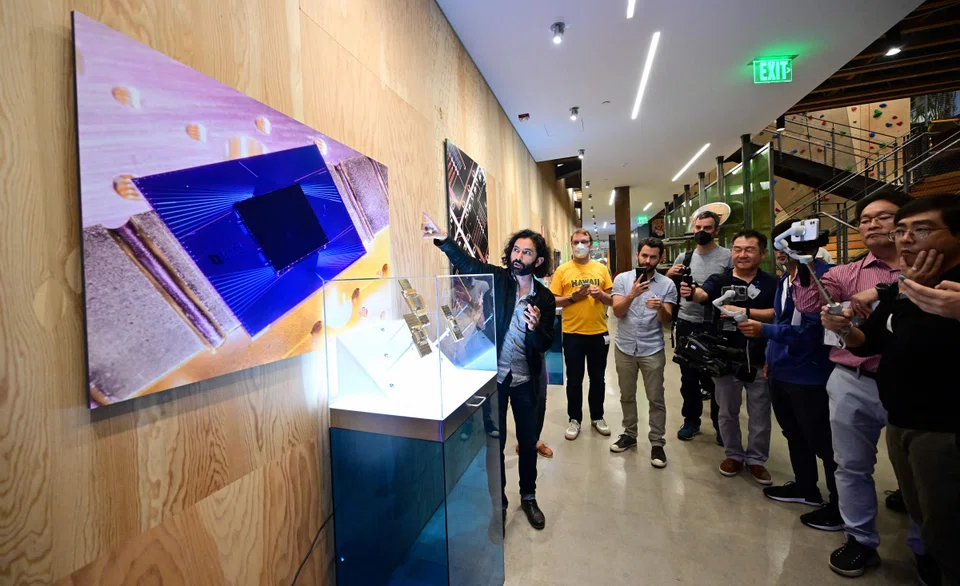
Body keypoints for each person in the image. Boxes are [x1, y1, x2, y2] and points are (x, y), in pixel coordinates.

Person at [821, 194, 960, 586]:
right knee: (897, 488)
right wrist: (842, 328)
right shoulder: (904, 286)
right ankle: (865, 540)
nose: (905, 238)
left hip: (944, 427)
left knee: (944, 521)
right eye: (902, 230)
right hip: (894, 409)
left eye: (921, 229)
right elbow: (870, 341)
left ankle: (927, 554)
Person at [790, 189, 921, 578]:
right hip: (853, 377)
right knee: (851, 465)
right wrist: (804, 263)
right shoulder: (846, 273)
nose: (872, 224)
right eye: (865, 219)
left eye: (883, 217)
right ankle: (860, 539)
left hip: (915, 384)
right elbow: (810, 303)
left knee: (920, 472)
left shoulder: (928, 270)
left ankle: (924, 544)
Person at [421, 213, 556, 531]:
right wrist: (443, 240)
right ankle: (500, 506)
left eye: (526, 252)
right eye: (516, 250)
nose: (518, 256)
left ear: (537, 261)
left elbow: (545, 344)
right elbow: (467, 265)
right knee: (495, 443)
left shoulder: (545, 299)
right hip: (494, 380)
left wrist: (536, 329)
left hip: (525, 382)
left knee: (527, 440)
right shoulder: (499, 280)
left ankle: (529, 497)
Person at [738, 222, 841, 531]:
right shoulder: (789, 277)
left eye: (790, 244)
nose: (784, 251)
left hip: (809, 374)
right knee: (794, 433)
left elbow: (814, 332)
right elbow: (785, 318)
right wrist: (770, 357)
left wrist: (763, 330)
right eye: (780, 244)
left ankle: (839, 506)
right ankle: (806, 487)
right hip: (782, 369)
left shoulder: (822, 278)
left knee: (823, 441)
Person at [681, 229, 777, 484]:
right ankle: (733, 454)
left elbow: (778, 313)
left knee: (760, 414)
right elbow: (703, 294)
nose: (742, 254)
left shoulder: (772, 283)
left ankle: (756, 460)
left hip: (760, 358)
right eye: (737, 249)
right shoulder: (720, 280)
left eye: (749, 249)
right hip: (724, 358)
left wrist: (745, 311)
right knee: (726, 411)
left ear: (763, 253)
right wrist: (692, 291)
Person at [609, 238, 678, 468]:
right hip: (625, 347)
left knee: (656, 398)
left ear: (660, 259)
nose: (648, 261)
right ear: (637, 255)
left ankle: (657, 443)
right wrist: (632, 294)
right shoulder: (622, 279)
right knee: (627, 395)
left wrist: (660, 309)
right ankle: (629, 433)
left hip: (652, 348)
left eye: (653, 257)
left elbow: (667, 322)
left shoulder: (667, 284)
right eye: (644, 256)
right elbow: (617, 312)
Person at [666, 211, 732, 443]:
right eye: (698, 227)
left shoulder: (727, 257)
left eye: (707, 228)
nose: (701, 232)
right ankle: (691, 421)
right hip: (686, 322)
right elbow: (670, 291)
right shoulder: (683, 258)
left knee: (717, 379)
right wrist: (669, 275)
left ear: (716, 231)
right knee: (688, 378)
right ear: (692, 229)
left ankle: (720, 425)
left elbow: (734, 287)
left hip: (716, 325)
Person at [550, 229, 614, 440]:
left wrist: (601, 294)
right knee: (574, 379)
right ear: (571, 244)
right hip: (572, 333)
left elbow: (612, 299)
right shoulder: (562, 270)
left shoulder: (601, 269)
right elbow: (553, 300)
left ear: (591, 244)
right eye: (576, 242)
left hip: (598, 332)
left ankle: (597, 417)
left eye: (584, 241)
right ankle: (574, 419)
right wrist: (572, 297)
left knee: (598, 379)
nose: (580, 245)